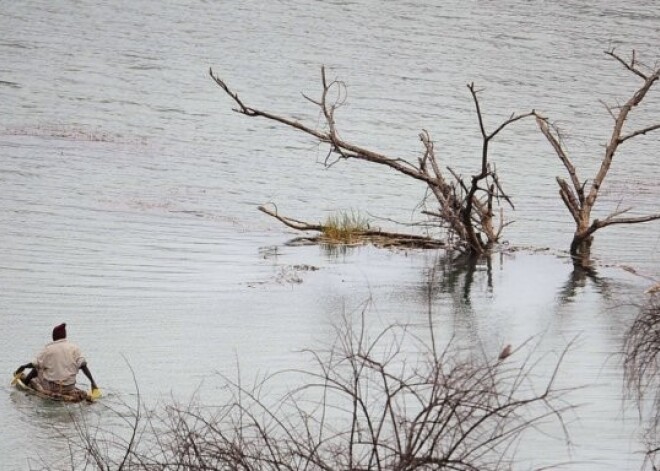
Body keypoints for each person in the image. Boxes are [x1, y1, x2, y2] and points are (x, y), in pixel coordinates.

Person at [14, 323, 99, 399]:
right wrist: (92, 382)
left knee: (38, 367)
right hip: (69, 386)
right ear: (64, 335)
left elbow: (34, 364)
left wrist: (23, 366)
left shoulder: (48, 349)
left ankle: (25, 384)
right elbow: (83, 366)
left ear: (53, 336)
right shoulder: (74, 348)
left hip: (53, 387)